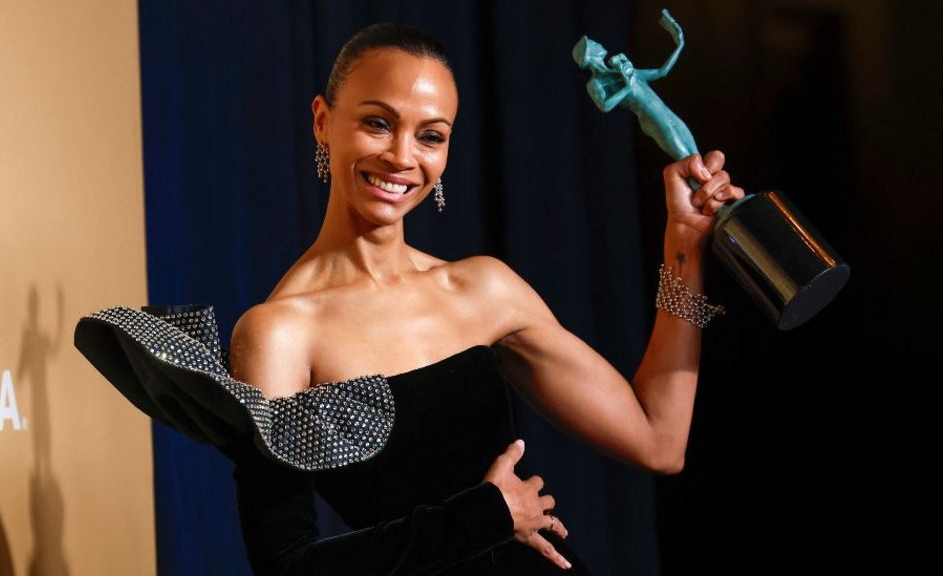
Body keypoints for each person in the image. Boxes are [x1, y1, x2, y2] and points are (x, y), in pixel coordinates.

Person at [73, 21, 744, 576]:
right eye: (376, 123)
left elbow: (659, 440)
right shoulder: (280, 334)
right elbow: (289, 568)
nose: (402, 157)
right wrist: (485, 515)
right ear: (321, 121)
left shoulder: (484, 287)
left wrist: (682, 245)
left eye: (430, 135)